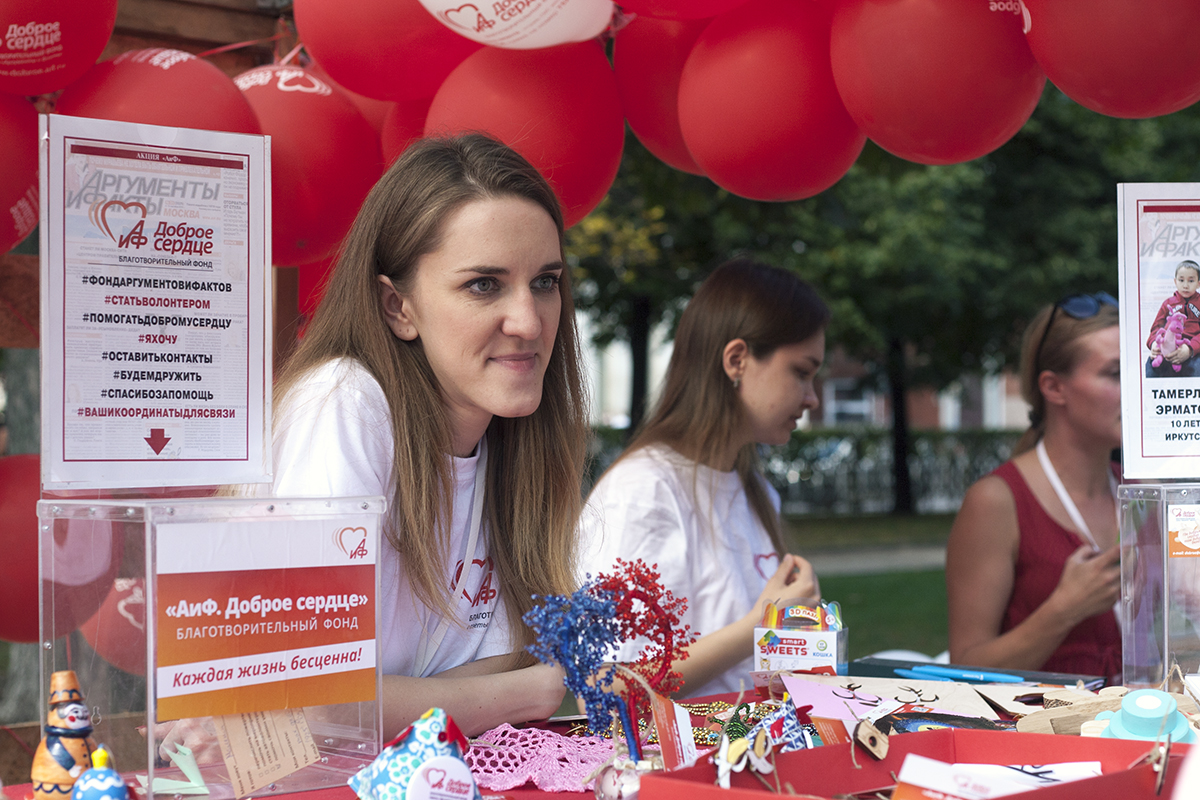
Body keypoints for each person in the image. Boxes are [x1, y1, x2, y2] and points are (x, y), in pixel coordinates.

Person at [250, 134, 588, 736]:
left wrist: (414, 699)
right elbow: (303, 701)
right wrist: (528, 691)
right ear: (397, 306)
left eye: (545, 281)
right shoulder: (344, 402)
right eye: (484, 284)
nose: (530, 321)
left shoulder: (511, 440)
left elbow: (490, 666)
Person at [579, 258, 823, 698]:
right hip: (676, 763)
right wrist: (760, 625)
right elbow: (604, 690)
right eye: (801, 372)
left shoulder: (753, 489)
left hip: (749, 751)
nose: (812, 398)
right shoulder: (642, 493)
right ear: (737, 360)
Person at [946, 293, 1122, 679]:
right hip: (1045, 734)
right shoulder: (997, 500)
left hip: (1147, 731)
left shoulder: (1142, 491)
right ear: (1054, 387)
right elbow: (964, 671)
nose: (1137, 394)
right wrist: (1065, 609)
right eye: (1116, 374)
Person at [1146, 259, 1200, 377]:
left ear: (1198, 283)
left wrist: (1190, 349)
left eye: (1191, 281)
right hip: (1167, 352)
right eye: (1181, 280)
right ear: (1175, 282)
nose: (1185, 285)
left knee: (1197, 367)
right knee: (1150, 366)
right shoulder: (1168, 304)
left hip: (1194, 352)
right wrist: (1154, 343)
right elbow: (1156, 328)